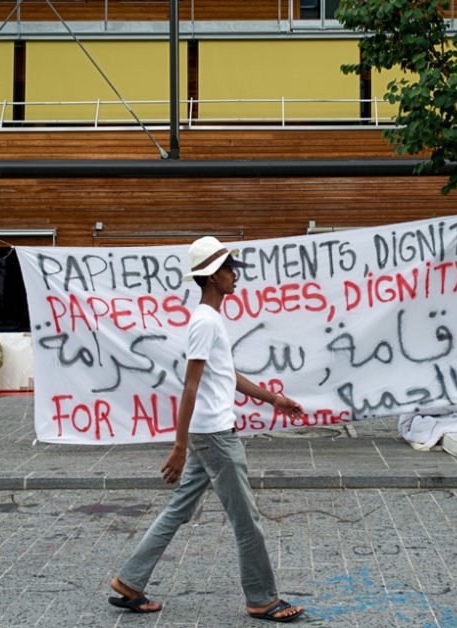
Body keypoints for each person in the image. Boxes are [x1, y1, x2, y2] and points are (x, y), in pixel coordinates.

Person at [108, 236, 306, 623]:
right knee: (247, 521)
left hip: (208, 433)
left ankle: (129, 582)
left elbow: (225, 376)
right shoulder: (204, 322)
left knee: (179, 509)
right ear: (213, 276)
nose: (236, 275)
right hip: (214, 435)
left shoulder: (211, 320)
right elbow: (190, 385)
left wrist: (274, 399)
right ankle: (262, 599)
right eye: (230, 269)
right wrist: (179, 447)